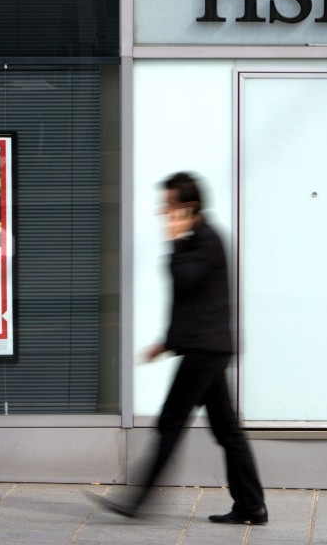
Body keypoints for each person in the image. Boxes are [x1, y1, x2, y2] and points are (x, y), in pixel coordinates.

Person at [101, 172, 267, 525]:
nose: (163, 212)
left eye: (169, 206)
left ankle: (137, 501)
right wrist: (166, 342)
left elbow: (185, 280)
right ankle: (252, 506)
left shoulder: (206, 240)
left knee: (171, 423)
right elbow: (191, 301)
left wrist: (174, 240)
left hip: (205, 350)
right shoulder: (197, 240)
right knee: (227, 432)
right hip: (205, 347)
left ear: (188, 207)